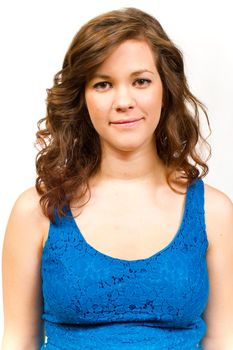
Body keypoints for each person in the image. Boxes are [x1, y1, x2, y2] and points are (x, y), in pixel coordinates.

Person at [1, 7, 233, 350]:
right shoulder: (37, 210)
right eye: (103, 84)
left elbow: (223, 338)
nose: (124, 101)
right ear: (82, 98)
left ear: (165, 89)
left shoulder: (213, 211)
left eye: (140, 81)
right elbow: (18, 340)